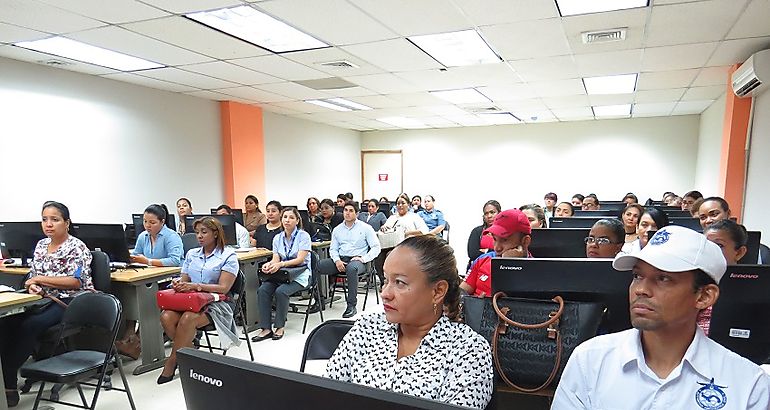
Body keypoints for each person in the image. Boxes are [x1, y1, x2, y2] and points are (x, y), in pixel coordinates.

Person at [552, 225, 770, 409]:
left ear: (704, 296)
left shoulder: (747, 384)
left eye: (663, 278)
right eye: (637, 276)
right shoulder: (591, 359)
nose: (641, 290)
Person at [324, 235, 493, 409]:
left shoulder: (468, 350)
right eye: (385, 280)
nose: (385, 293)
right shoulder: (366, 328)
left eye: (400, 283)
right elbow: (327, 395)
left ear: (437, 291)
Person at [1, 201, 93, 407]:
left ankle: (8, 376)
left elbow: (75, 281)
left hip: (70, 302)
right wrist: (32, 284)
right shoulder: (42, 245)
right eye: (44, 219)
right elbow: (33, 276)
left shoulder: (77, 247)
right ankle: (7, 380)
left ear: (67, 223)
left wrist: (40, 280)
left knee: (30, 325)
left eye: (55, 219)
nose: (48, 224)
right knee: (6, 323)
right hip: (41, 299)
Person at [158, 217, 239, 384]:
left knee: (187, 319)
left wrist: (196, 286)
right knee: (166, 317)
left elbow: (224, 288)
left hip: (217, 302)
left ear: (215, 234)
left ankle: (173, 361)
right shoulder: (191, 254)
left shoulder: (228, 255)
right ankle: (189, 349)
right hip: (191, 301)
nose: (199, 236)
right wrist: (178, 284)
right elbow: (184, 279)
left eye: (204, 232)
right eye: (197, 233)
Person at [119, 203, 183, 359]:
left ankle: (138, 343)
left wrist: (148, 261)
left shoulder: (171, 236)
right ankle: (130, 339)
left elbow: (175, 260)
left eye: (152, 222)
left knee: (145, 299)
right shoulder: (143, 237)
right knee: (128, 295)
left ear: (162, 222)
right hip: (148, 278)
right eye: (145, 222)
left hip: (172, 279)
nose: (148, 226)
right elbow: (136, 255)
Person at [252, 208, 312, 342]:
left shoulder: (303, 236)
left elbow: (300, 260)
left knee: (281, 292)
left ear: (297, 221)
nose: (287, 220)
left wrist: (280, 265)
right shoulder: (277, 238)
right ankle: (265, 328)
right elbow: (276, 258)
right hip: (283, 274)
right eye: (285, 217)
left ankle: (279, 327)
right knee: (262, 290)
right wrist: (270, 265)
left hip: (300, 274)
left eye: (291, 217)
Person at [319, 201, 381, 318]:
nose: (347, 213)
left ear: (357, 214)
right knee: (318, 265)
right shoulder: (337, 229)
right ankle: (319, 300)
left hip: (358, 261)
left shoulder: (366, 228)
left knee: (352, 269)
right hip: (341, 260)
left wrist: (363, 258)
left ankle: (351, 305)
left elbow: (376, 247)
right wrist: (337, 260)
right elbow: (333, 249)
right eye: (345, 210)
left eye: (351, 211)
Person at [461, 209, 532, 297]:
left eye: (504, 240)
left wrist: (509, 264)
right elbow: (462, 292)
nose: (496, 248)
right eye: (494, 239)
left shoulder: (535, 270)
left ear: (525, 241)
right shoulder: (482, 260)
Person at [698, 219, 749, 335]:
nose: (709, 251)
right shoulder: (691, 281)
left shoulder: (752, 287)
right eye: (706, 245)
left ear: (739, 252)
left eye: (719, 245)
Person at [374, 193, 429, 282]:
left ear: (408, 204)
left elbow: (424, 231)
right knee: (378, 256)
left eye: (403, 203)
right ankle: (384, 280)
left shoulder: (414, 217)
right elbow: (386, 230)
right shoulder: (392, 218)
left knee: (391, 255)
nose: (400, 205)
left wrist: (406, 233)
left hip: (408, 244)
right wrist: (384, 228)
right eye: (398, 203)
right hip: (390, 244)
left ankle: (395, 281)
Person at [466, 200, 501, 268]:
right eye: (486, 213)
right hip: (480, 268)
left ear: (499, 213)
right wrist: (494, 252)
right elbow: (473, 254)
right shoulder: (477, 231)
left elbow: (506, 252)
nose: (489, 216)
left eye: (492, 212)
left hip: (499, 267)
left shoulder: (505, 232)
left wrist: (487, 250)